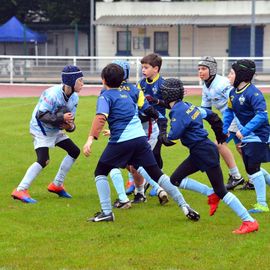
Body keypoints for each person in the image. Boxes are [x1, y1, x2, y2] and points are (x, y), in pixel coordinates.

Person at [83, 63, 200, 222]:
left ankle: (107, 212)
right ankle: (184, 205)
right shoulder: (133, 91)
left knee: (100, 172)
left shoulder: (105, 95)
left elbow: (100, 117)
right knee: (157, 174)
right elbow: (147, 109)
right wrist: (161, 120)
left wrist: (90, 139)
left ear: (103, 80)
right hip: (140, 139)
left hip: (121, 140)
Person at [159, 77, 259, 234]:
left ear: (166, 94)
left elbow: (172, 136)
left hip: (204, 152)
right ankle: (210, 193)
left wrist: (162, 128)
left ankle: (249, 221)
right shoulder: (187, 106)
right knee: (175, 179)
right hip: (200, 151)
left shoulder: (177, 111)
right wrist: (219, 134)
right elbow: (213, 116)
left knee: (221, 191)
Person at [11, 65, 83, 203]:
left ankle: (56, 184)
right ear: (71, 81)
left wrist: (70, 126)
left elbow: (70, 123)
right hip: (40, 129)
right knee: (43, 160)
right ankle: (20, 190)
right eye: (80, 80)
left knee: (74, 151)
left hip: (55, 129)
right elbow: (41, 115)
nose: (82, 84)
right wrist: (62, 119)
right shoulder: (51, 94)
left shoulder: (75, 98)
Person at [108, 60, 168, 206]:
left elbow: (145, 111)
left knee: (138, 163)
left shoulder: (115, 92)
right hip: (133, 130)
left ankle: (157, 188)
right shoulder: (136, 88)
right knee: (134, 164)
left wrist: (161, 124)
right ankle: (143, 191)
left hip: (144, 129)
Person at [223, 59, 270, 213]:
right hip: (247, 135)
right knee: (251, 168)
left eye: (231, 73)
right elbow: (229, 112)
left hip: (258, 135)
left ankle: (262, 204)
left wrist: (244, 131)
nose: (228, 76)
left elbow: (262, 115)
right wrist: (224, 129)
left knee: (253, 168)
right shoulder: (232, 93)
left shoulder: (254, 93)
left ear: (241, 76)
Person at [198, 56, 247, 190]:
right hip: (229, 119)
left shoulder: (222, 84)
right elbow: (206, 110)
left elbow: (236, 101)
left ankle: (236, 177)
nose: (200, 72)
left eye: (203, 69)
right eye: (199, 69)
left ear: (212, 70)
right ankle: (254, 177)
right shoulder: (205, 86)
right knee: (242, 148)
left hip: (235, 117)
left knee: (219, 144)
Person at [126, 53, 167, 197]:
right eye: (142, 67)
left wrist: (156, 101)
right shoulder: (141, 83)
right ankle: (135, 182)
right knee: (137, 153)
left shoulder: (163, 84)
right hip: (142, 122)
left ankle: (158, 184)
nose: (143, 70)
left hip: (158, 123)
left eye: (146, 67)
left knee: (155, 155)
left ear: (155, 69)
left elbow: (169, 104)